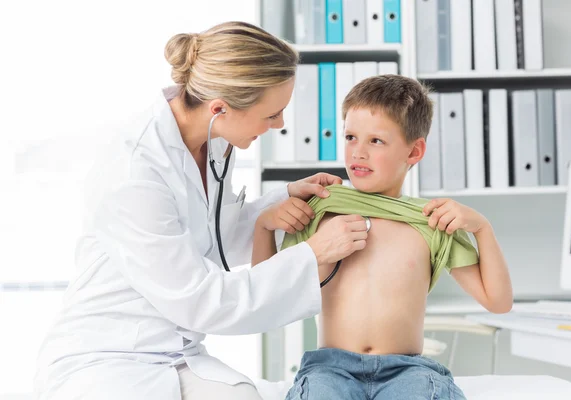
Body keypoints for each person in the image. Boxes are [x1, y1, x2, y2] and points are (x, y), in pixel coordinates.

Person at [34, 21, 370, 400]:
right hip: (108, 357)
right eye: (272, 114)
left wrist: (280, 204)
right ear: (219, 108)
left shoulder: (212, 140)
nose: (280, 125)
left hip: (177, 352)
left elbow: (208, 235)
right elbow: (201, 299)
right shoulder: (133, 172)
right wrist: (314, 254)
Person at [252, 75, 513, 400]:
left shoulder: (430, 221)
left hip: (407, 370)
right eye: (350, 137)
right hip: (330, 368)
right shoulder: (320, 208)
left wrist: (482, 228)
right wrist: (264, 226)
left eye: (376, 141)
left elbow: (498, 302)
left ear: (414, 151)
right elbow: (265, 297)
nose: (358, 152)